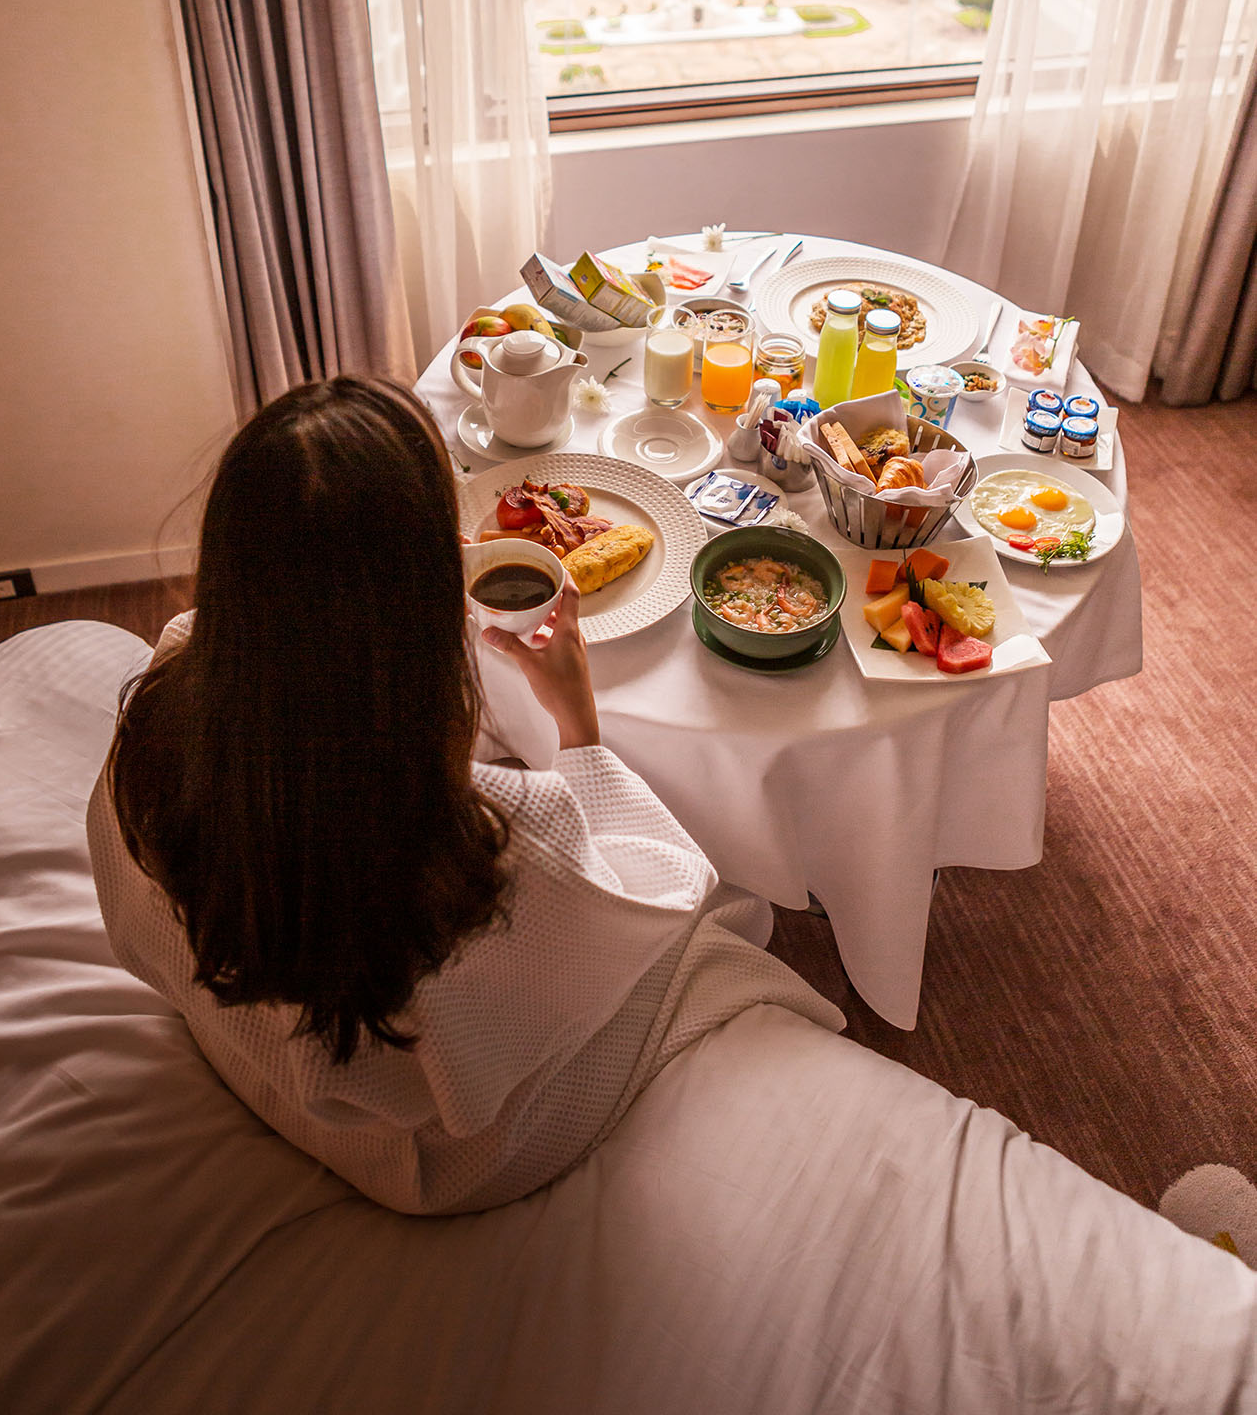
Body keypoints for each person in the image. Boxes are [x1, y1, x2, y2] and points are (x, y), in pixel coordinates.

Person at [88, 377, 841, 1216]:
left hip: (255, 1057)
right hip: (433, 1154)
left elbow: (136, 930)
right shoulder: (479, 830)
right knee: (732, 918)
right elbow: (657, 894)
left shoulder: (160, 702)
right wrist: (579, 726)